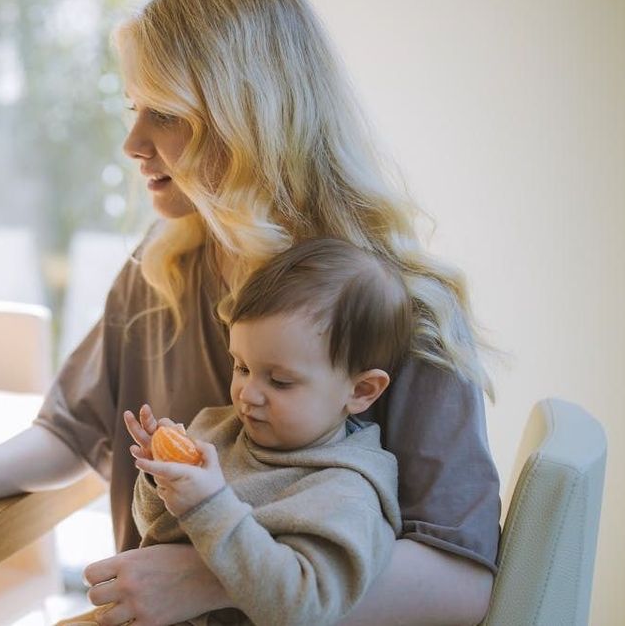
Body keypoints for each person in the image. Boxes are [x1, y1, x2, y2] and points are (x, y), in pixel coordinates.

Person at [0, 0, 500, 625]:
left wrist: (210, 575)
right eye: (133, 107)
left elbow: (462, 584)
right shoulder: (161, 270)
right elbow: (71, 431)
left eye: (166, 114)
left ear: (250, 121)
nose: (131, 141)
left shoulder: (406, 310)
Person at [60, 238, 411, 626]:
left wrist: (210, 504)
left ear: (361, 391)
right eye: (241, 367)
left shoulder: (346, 492)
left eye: (279, 381)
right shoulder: (218, 429)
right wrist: (161, 479)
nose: (248, 393)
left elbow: (302, 607)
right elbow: (159, 534)